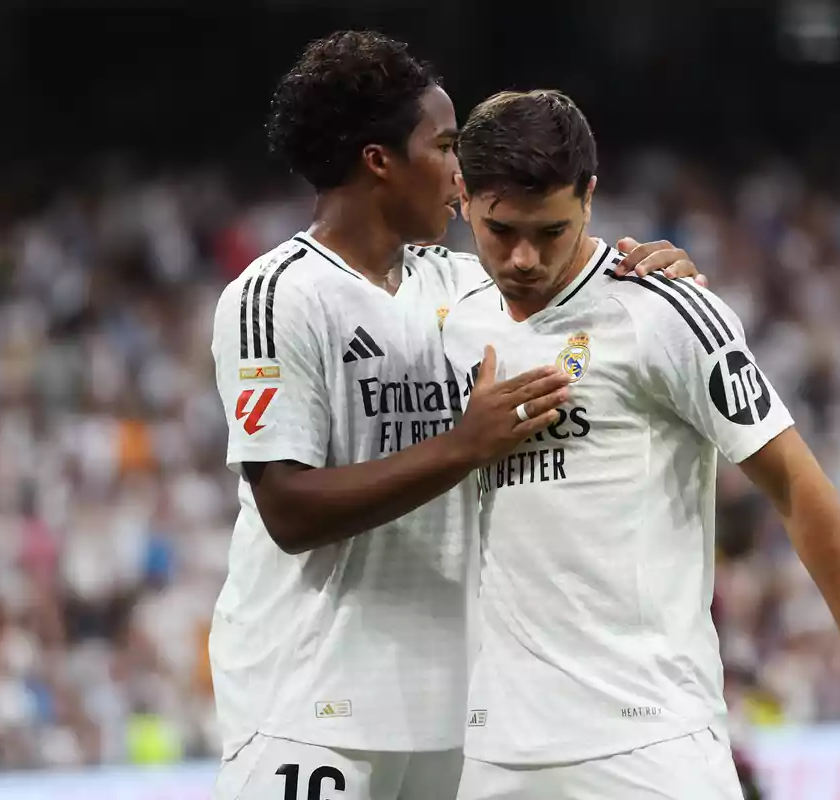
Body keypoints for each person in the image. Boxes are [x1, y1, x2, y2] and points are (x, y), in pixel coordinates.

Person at [209, 32, 703, 800]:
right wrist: (461, 447)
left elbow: (571, 278)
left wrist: (650, 273)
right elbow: (287, 508)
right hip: (311, 705)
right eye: (444, 146)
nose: (461, 171)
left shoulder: (465, 287)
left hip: (457, 717)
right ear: (380, 161)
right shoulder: (278, 295)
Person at [442, 89, 840, 799]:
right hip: (491, 749)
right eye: (500, 229)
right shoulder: (446, 318)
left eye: (552, 232)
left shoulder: (665, 312)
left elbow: (794, 481)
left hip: (648, 736)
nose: (523, 258)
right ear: (463, 195)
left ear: (591, 199)